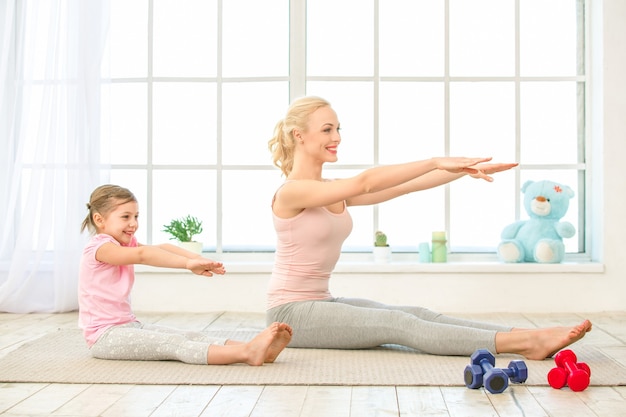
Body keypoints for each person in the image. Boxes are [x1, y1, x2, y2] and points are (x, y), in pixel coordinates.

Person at [266, 96, 591, 360]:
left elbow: (406, 186)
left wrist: (464, 169)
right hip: (292, 316)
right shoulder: (292, 192)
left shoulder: (330, 189)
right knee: (399, 323)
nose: (337, 138)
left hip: (322, 303)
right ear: (299, 135)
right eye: (327, 130)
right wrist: (436, 160)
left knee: (417, 312)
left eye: (338, 129)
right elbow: (365, 183)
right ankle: (522, 345)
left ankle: (521, 335)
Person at [79, 184, 292, 366]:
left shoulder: (122, 244)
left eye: (136, 216)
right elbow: (144, 255)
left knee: (189, 335)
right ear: (99, 219)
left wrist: (196, 260)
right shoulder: (99, 249)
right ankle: (246, 353)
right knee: (174, 344)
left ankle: (261, 350)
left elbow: (162, 247)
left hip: (129, 326)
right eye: (125, 217)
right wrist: (188, 263)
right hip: (105, 338)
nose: (133, 223)